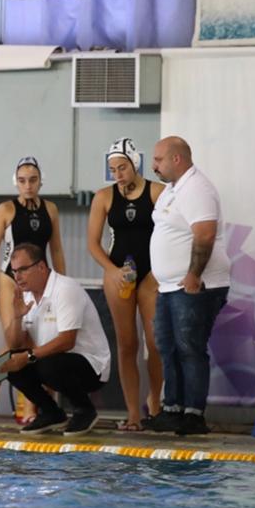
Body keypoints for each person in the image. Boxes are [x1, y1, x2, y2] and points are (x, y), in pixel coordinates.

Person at [0, 243, 111, 436]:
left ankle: (85, 410)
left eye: (23, 270)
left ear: (41, 267)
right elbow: (15, 344)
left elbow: (67, 341)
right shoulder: (26, 297)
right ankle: (51, 413)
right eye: (14, 271)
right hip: (57, 362)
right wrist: (16, 318)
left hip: (92, 367)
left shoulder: (65, 289)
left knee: (46, 363)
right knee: (10, 363)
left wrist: (28, 356)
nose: (17, 277)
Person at [146, 136, 230, 436]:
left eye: (158, 160)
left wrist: (194, 275)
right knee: (168, 348)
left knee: (189, 348)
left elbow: (205, 234)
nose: (154, 166)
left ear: (177, 159)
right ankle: (173, 409)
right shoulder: (171, 190)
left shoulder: (197, 188)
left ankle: (193, 414)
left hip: (195, 285)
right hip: (170, 286)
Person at [0, 156, 66, 422]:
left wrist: (62, 285)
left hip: (41, 281)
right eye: (23, 180)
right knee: (15, 340)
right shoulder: (6, 210)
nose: (28, 185)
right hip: (10, 279)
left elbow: (56, 250)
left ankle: (30, 407)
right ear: (15, 182)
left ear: (40, 182)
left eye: (33, 180)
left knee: (40, 344)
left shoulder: (51, 209)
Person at [87, 138, 165, 431]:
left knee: (155, 343)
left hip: (151, 274)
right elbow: (93, 244)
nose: (118, 174)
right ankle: (133, 414)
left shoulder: (157, 192)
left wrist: (161, 271)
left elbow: (172, 234)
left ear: (135, 164)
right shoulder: (104, 197)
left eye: (122, 167)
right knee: (127, 344)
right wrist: (112, 270)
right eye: (113, 169)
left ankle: (154, 402)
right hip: (118, 272)